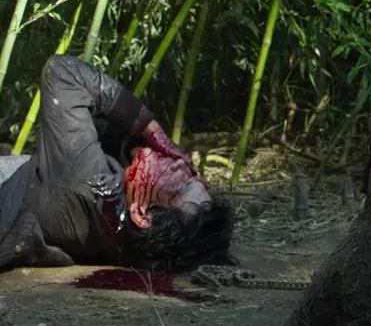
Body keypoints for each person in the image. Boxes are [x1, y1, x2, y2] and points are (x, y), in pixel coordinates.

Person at [0, 55, 233, 273]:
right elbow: (100, 128)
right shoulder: (118, 236)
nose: (182, 164)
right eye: (192, 175)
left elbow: (62, 72)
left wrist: (148, 126)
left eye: (181, 185)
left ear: (142, 215)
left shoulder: (90, 183)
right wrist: (133, 145)